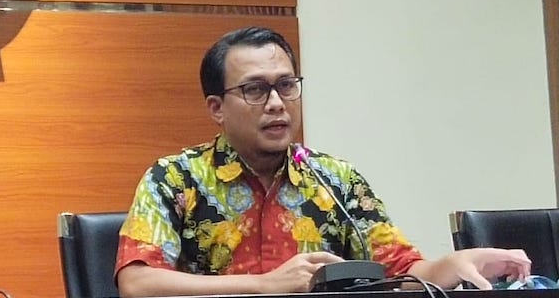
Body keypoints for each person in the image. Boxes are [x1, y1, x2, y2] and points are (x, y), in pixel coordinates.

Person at [114, 26, 531, 297]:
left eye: (286, 85)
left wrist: (454, 265)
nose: (276, 103)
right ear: (217, 108)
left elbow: (402, 271)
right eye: (255, 90)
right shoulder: (175, 178)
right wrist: (264, 285)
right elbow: (137, 283)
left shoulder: (334, 179)